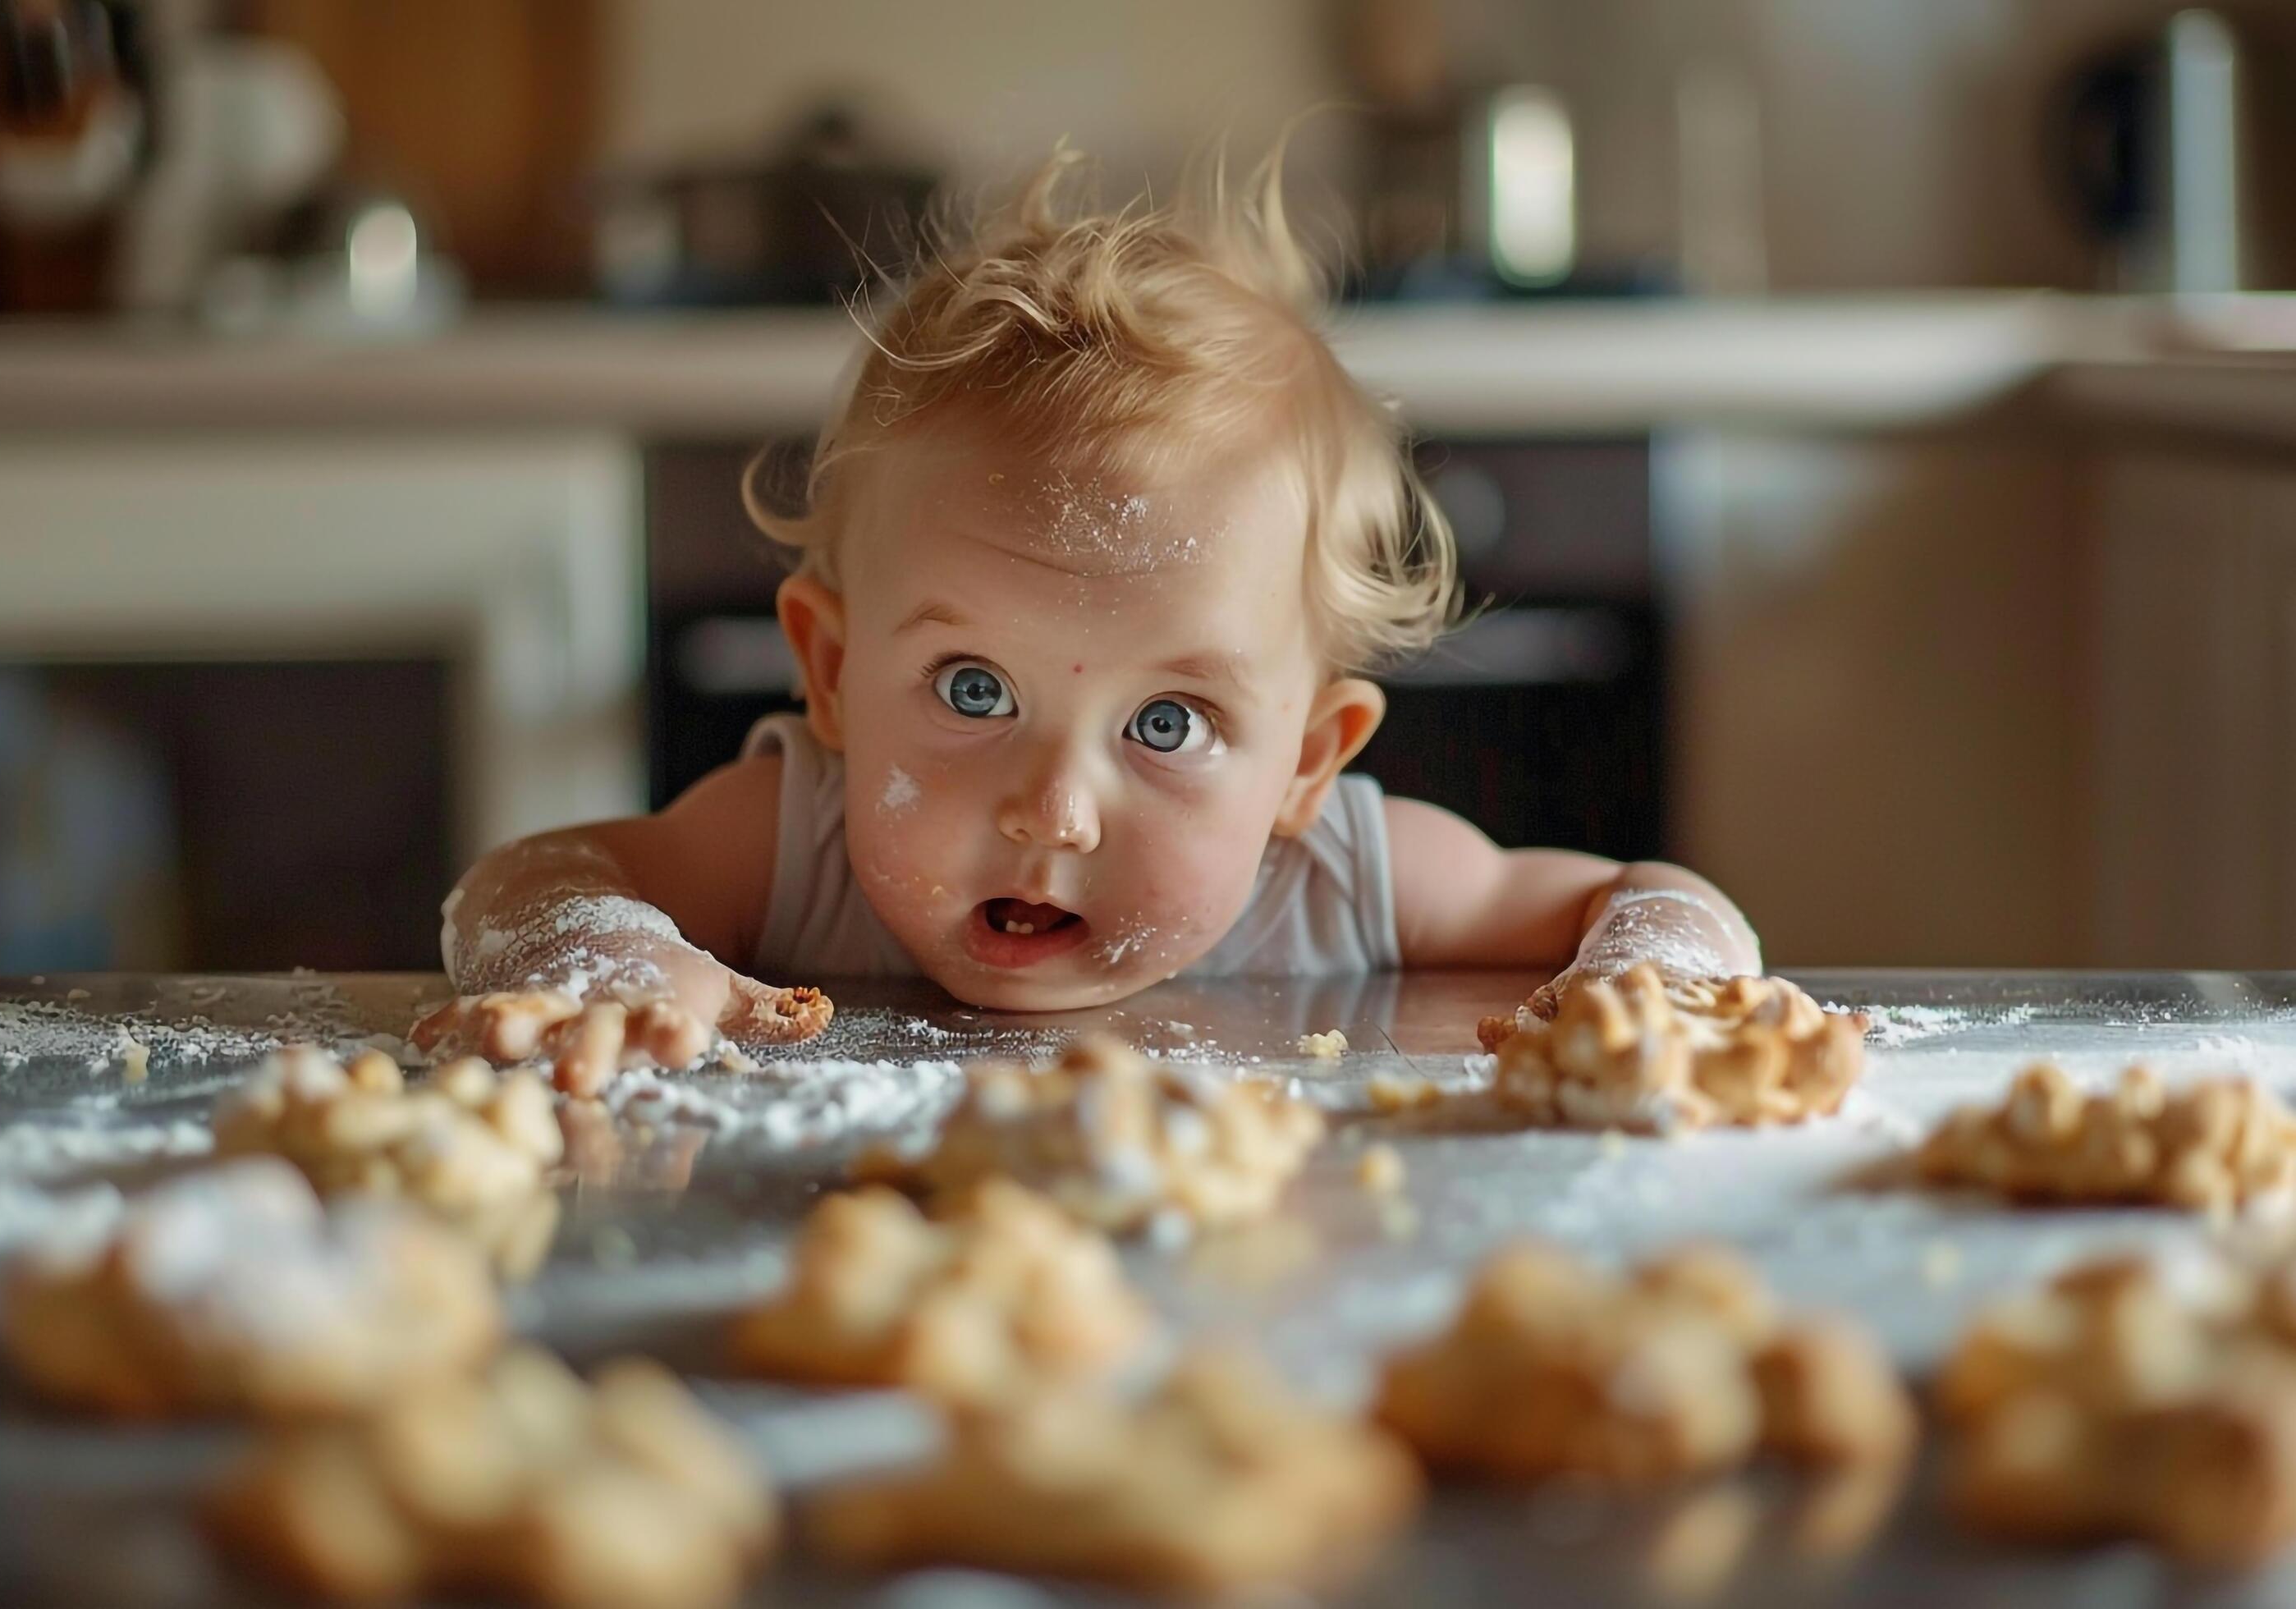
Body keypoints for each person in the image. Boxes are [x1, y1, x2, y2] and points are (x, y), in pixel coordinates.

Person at [435, 140, 1758, 1052]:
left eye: (1168, 724)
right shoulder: (799, 841)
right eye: (973, 691)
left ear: (1306, 760)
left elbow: (1656, 899)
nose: (1050, 810)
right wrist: (605, 947)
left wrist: (1657, 981)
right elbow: (528, 879)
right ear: (831, 675)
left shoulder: (1339, 879)